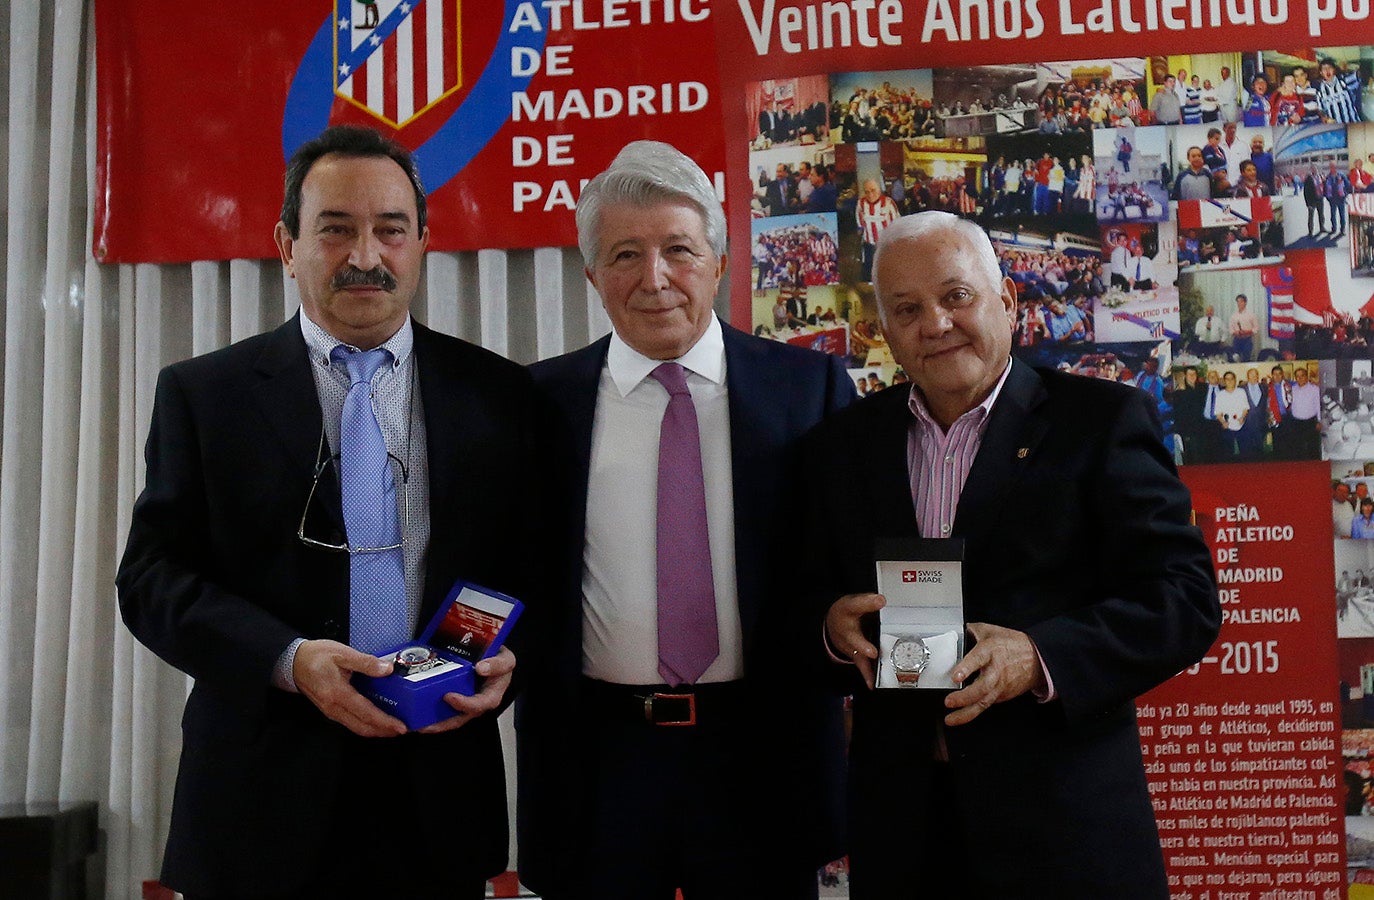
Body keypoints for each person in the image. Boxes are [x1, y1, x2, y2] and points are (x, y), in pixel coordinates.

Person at [115, 125, 540, 898]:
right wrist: (288, 659)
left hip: (436, 795)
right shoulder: (206, 396)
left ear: (422, 243)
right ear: (287, 245)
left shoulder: (501, 396)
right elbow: (150, 580)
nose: (365, 255)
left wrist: (512, 663)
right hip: (258, 800)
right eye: (336, 229)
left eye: (390, 229)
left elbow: (531, 574)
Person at [805, 211, 1219, 897]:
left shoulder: (1101, 422)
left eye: (955, 296)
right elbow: (797, 602)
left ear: (1009, 301)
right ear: (884, 333)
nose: (934, 323)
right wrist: (828, 630)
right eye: (906, 309)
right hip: (905, 833)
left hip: (1066, 831)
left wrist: (1041, 657)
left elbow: (1183, 598)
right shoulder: (841, 448)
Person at [518, 140, 854, 899]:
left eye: (678, 249)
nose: (655, 278)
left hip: (761, 754)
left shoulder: (810, 391)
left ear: (721, 259)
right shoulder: (538, 403)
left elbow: (844, 561)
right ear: (592, 274)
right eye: (626, 254)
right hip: (596, 760)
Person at [857, 178, 900, 282]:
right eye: (867, 191)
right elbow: (859, 220)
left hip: (886, 245)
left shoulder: (889, 203)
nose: (870, 194)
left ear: (879, 190)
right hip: (869, 245)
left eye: (873, 190)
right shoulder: (861, 203)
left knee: (887, 271)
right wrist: (860, 230)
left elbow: (898, 223)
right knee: (869, 272)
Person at [1230, 294, 1258, 360]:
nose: (1239, 304)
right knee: (1235, 358)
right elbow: (1231, 330)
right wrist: (1236, 332)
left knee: (1246, 358)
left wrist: (1247, 332)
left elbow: (1256, 329)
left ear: (1245, 303)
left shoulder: (1251, 315)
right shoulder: (1233, 316)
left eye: (1241, 301)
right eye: (1238, 302)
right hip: (1237, 340)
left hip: (1247, 340)